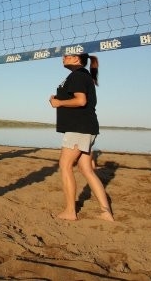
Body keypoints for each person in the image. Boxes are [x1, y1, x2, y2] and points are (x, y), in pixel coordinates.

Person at [48, 53, 114, 221]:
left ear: (77, 59)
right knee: (86, 169)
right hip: (86, 127)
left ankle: (70, 211)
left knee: (65, 166)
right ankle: (106, 212)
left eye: (67, 55)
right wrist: (58, 98)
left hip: (78, 128)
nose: (63, 57)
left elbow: (81, 101)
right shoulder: (81, 75)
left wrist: (58, 102)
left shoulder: (78, 75)